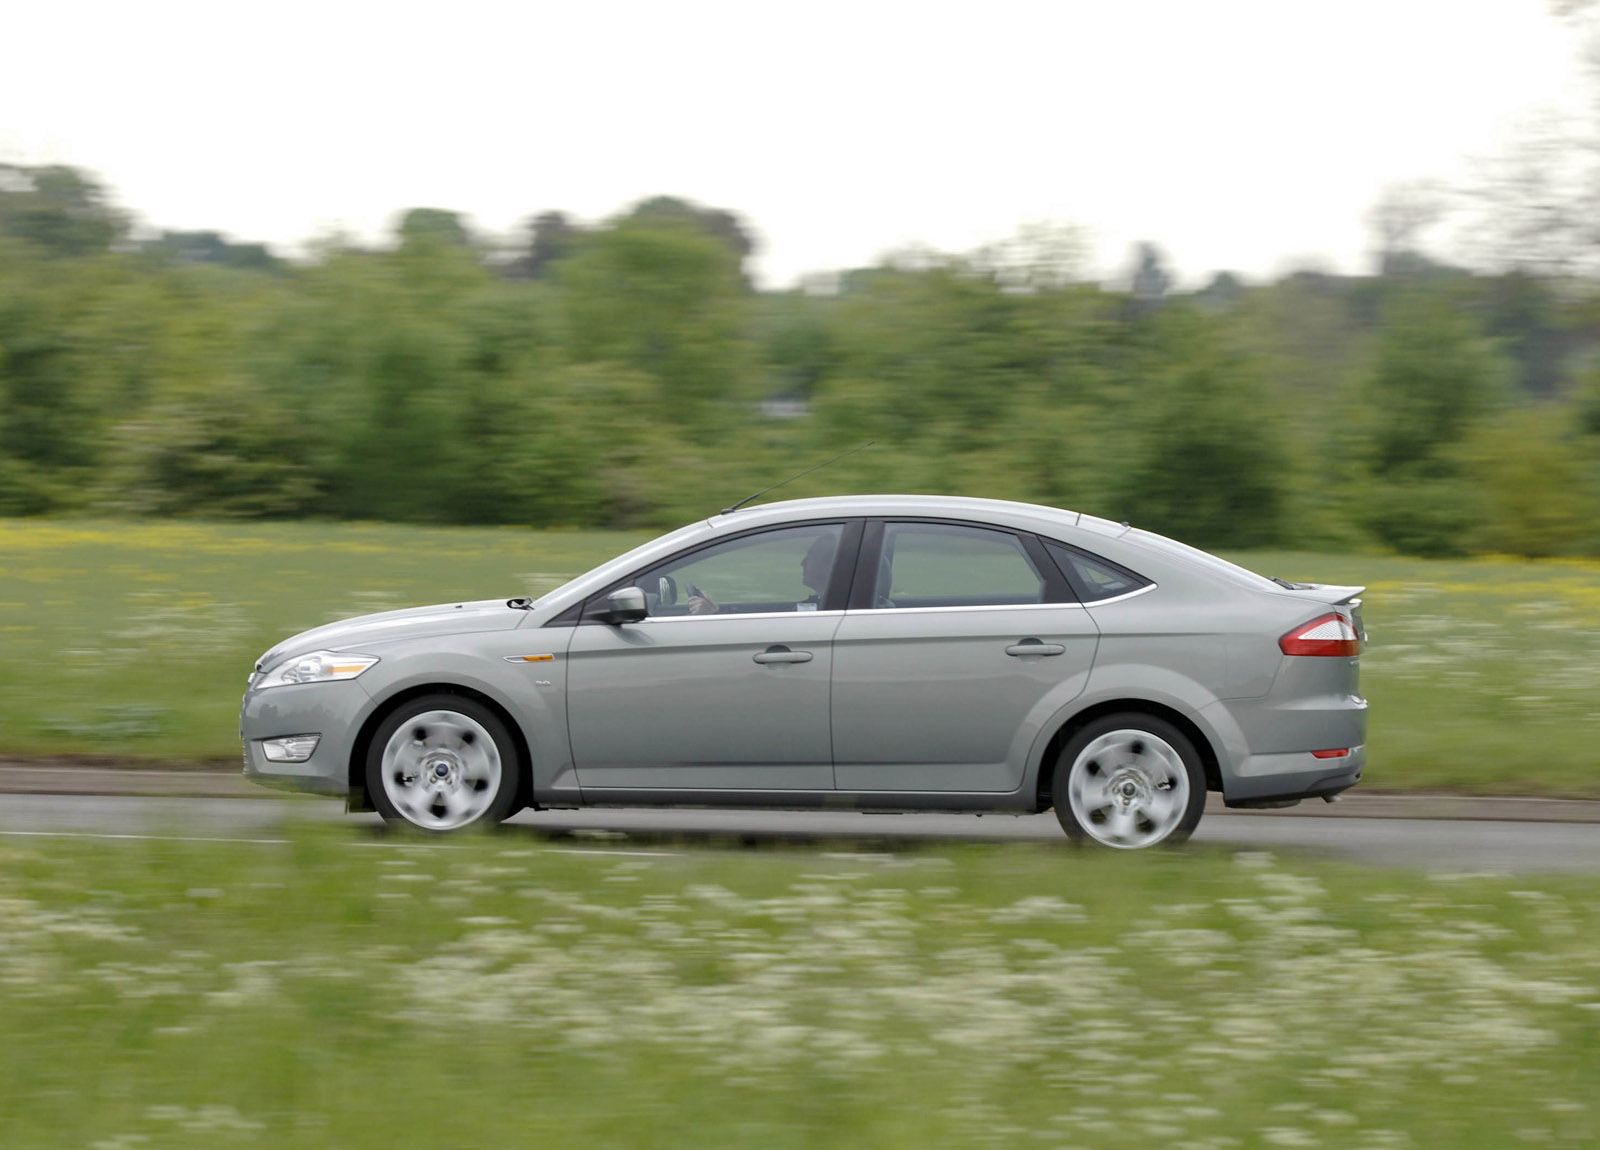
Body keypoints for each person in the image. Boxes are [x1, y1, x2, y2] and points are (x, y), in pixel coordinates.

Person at [686, 533, 835, 615]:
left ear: (830, 564)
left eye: (811, 556)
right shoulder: (821, 604)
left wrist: (711, 616)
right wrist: (715, 612)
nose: (802, 563)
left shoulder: (824, 610)